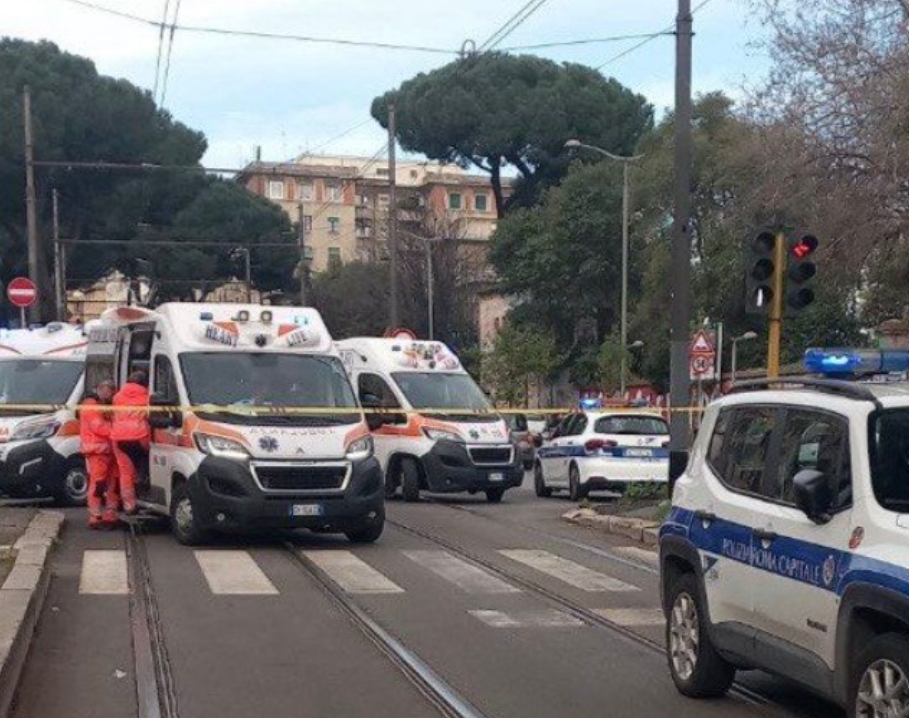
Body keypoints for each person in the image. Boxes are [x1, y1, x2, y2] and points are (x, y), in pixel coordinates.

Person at [80, 380, 118, 529]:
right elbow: (99, 427)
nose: (112, 395)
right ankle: (95, 517)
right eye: (110, 391)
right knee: (98, 484)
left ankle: (110, 515)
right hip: (97, 451)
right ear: (101, 389)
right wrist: (117, 429)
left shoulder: (101, 405)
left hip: (108, 450)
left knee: (112, 484)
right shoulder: (90, 404)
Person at [111, 369, 150, 514]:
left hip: (119, 438)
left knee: (125, 474)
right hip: (140, 437)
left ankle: (129, 505)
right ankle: (143, 480)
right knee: (146, 459)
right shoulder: (147, 397)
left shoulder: (117, 397)